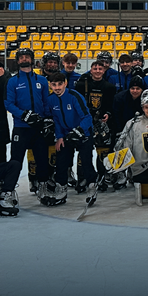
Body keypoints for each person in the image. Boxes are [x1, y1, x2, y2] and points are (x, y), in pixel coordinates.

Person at [5, 48, 52, 197]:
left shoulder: (42, 80)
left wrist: (47, 118)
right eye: (21, 57)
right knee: (15, 161)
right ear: (17, 61)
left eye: (27, 57)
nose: (24, 59)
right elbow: (9, 104)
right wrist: (23, 115)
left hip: (38, 127)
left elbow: (46, 102)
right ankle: (9, 191)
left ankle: (43, 188)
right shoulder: (13, 81)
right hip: (21, 127)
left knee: (42, 159)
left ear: (32, 60)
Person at [43, 72, 94, 206]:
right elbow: (56, 120)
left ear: (65, 83)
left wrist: (79, 131)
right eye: (54, 85)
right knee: (61, 162)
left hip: (83, 133)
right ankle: (61, 189)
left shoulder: (74, 96)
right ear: (50, 85)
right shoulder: (50, 100)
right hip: (66, 134)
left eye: (60, 84)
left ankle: (91, 186)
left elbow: (87, 117)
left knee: (86, 162)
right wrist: (60, 137)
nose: (57, 88)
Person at [75, 59, 117, 192]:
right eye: (95, 69)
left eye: (100, 69)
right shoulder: (81, 85)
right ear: (91, 70)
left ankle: (101, 178)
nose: (98, 71)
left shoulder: (110, 87)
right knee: (83, 152)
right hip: (86, 123)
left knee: (103, 152)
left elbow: (111, 105)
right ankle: (82, 178)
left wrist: (108, 114)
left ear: (104, 71)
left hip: (102, 124)